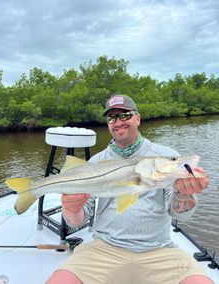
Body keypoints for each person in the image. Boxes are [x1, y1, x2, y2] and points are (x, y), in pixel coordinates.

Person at [46, 95, 213, 284]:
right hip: (104, 249)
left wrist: (185, 193)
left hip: (159, 250)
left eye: (124, 115)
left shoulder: (167, 155)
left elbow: (180, 215)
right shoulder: (95, 162)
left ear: (138, 119)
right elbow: (76, 222)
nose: (117, 122)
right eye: (111, 118)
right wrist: (71, 209)